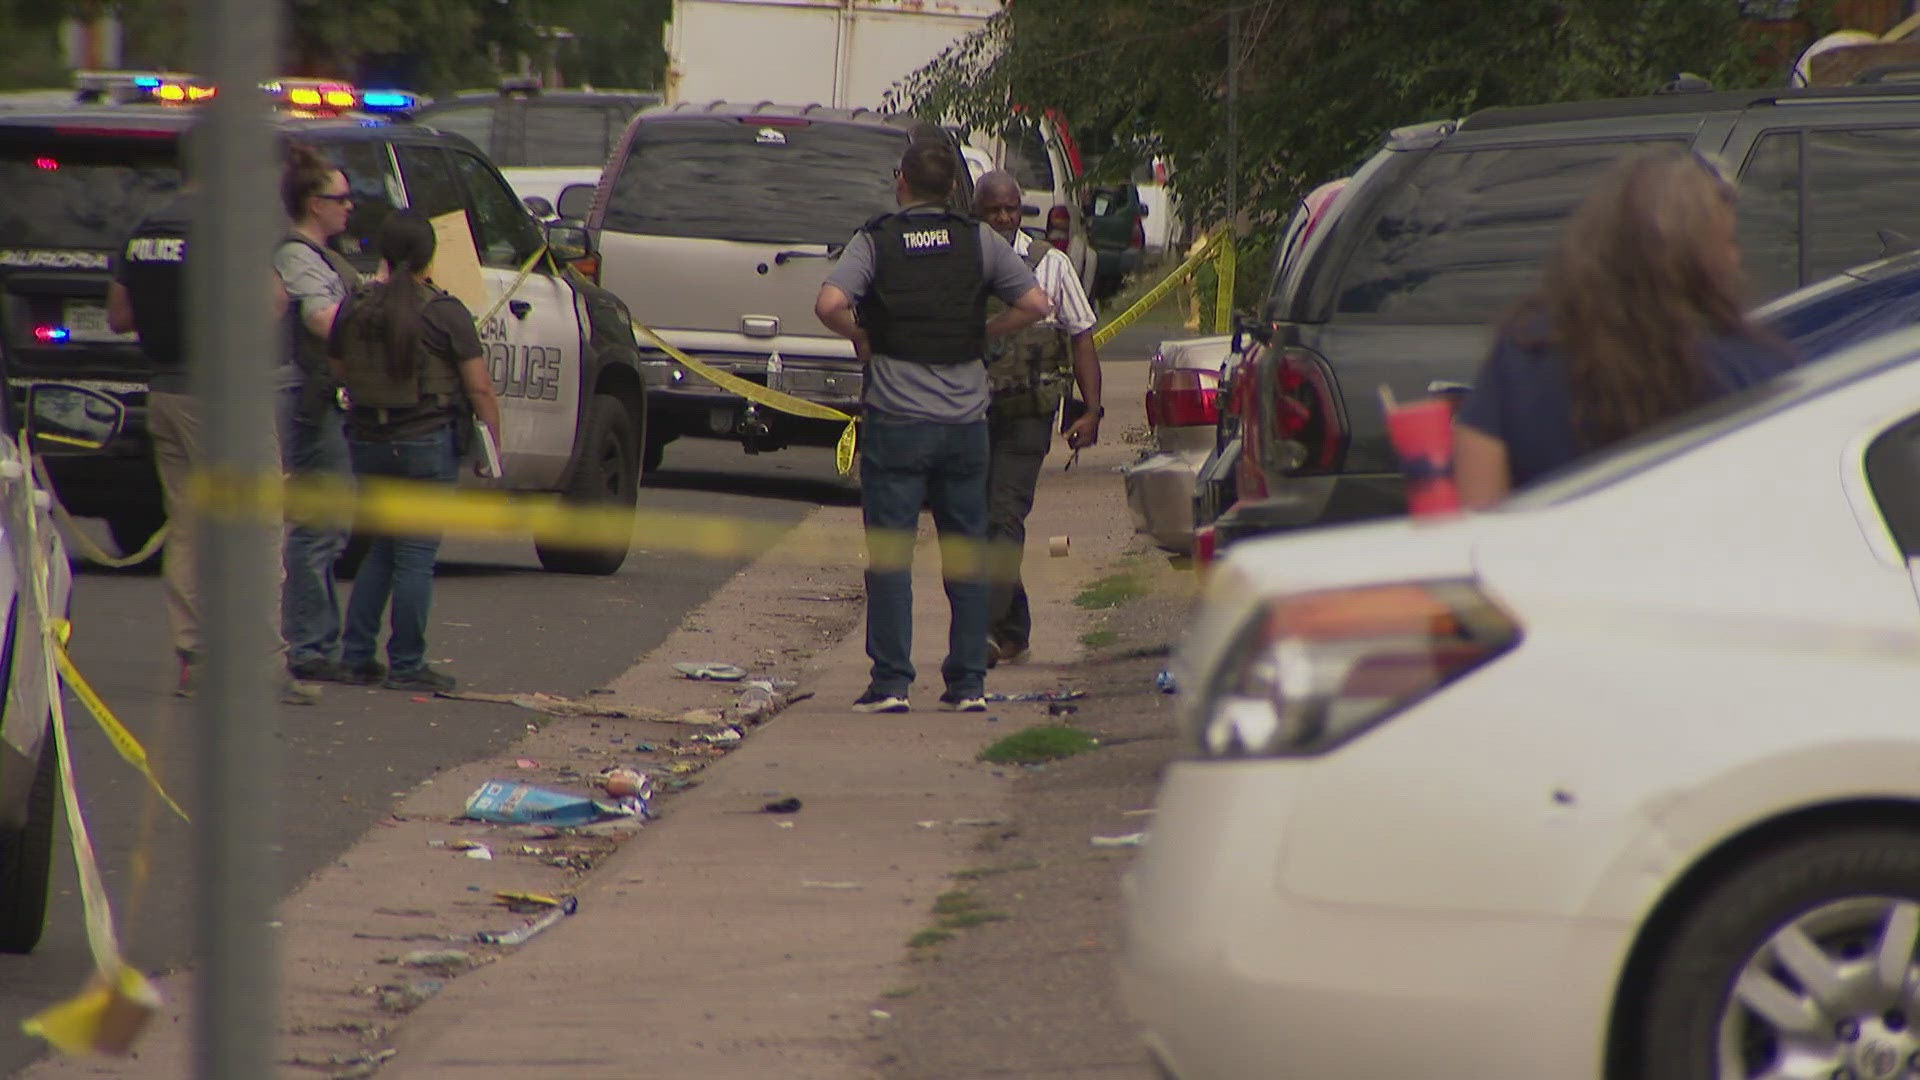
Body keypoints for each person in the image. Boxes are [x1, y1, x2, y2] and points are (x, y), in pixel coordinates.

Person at [815, 141, 1051, 715]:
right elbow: (1038, 304)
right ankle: (968, 684)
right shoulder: (979, 241)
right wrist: (987, 334)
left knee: (891, 555)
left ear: (902, 183)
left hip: (897, 422)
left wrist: (865, 337)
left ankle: (892, 682)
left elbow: (828, 303)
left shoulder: (876, 239)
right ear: (955, 191)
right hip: (966, 425)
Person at [1455, 150, 1795, 508]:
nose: (1735, 258)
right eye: (1727, 243)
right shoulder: (1751, 367)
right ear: (1695, 261)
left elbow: (1479, 511)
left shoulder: (1525, 349)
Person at [106, 186, 320, 704]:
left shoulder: (146, 229)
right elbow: (269, 306)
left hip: (166, 394)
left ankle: (196, 659)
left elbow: (120, 317)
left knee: (188, 528)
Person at [326, 211, 501, 693]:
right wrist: (492, 447)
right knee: (416, 556)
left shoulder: (355, 306)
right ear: (431, 256)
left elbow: (339, 370)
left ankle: (356, 655)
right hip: (426, 443)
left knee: (381, 546)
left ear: (383, 252)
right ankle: (407, 663)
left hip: (368, 440)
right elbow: (479, 388)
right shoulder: (445, 312)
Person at [971, 170, 1103, 666]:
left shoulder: (1052, 264)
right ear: (978, 213)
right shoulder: (963, 262)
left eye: (1011, 209)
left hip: (1029, 412)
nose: (1004, 218)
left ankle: (982, 630)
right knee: (978, 520)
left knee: (1004, 516)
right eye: (993, 211)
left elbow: (1081, 336)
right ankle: (1014, 627)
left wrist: (1090, 409)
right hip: (970, 410)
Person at [275, 144, 360, 683]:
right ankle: (308, 644)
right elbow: (323, 321)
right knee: (319, 524)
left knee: (332, 523)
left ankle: (320, 641)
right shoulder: (294, 257)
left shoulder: (326, 256)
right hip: (307, 400)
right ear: (312, 202)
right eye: (340, 198)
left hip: (329, 400)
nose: (349, 207)